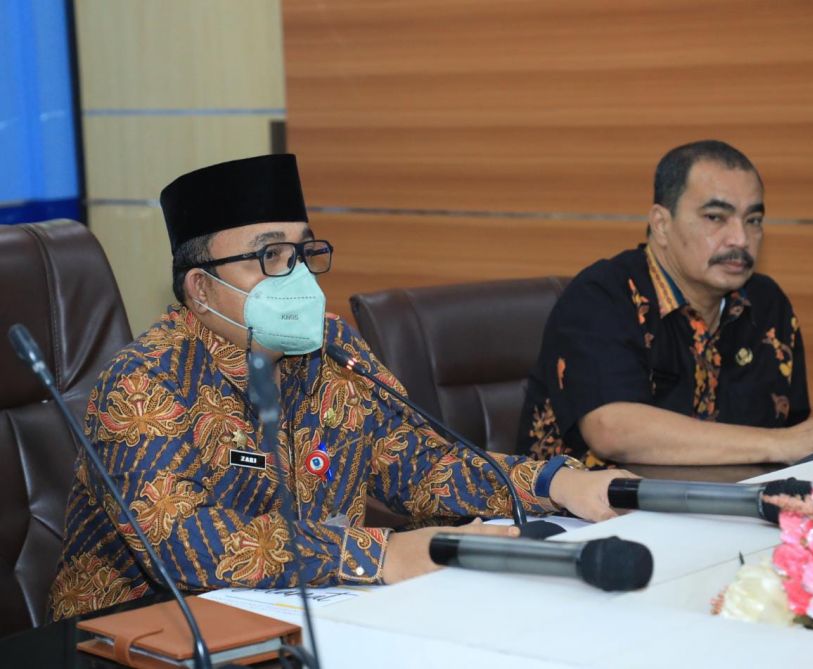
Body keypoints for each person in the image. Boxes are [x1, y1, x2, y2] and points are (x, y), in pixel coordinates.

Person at [49, 154, 633, 620]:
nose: (297, 275)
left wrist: (557, 483)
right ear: (201, 289)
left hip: (310, 613)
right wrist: (383, 554)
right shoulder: (142, 383)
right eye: (270, 256)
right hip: (137, 634)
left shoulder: (333, 348)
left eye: (303, 252)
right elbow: (186, 544)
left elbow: (417, 463)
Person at [517, 140, 813, 468]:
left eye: (753, 220)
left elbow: (790, 433)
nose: (740, 238)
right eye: (715, 218)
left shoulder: (767, 306)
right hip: (581, 522)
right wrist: (783, 443)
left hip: (724, 515)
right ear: (661, 224)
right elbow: (612, 429)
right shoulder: (603, 295)